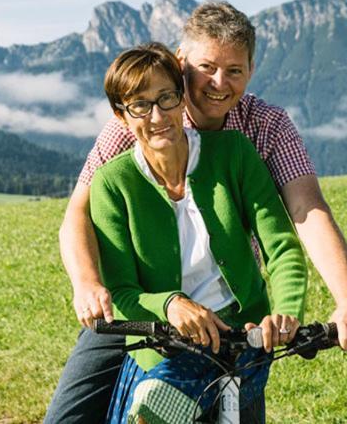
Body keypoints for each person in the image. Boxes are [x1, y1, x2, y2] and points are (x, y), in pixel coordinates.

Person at [45, 1, 347, 423]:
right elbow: (80, 211)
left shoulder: (263, 128)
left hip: (235, 318)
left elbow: (306, 208)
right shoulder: (142, 116)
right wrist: (88, 284)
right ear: (181, 64)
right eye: (207, 68)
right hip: (147, 310)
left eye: (234, 70)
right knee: (68, 417)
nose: (220, 83)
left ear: (251, 70)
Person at [86, 42, 306, 422]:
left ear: (182, 98)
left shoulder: (234, 153)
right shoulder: (111, 183)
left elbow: (282, 247)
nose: (157, 116)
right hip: (164, 350)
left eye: (166, 98)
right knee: (153, 404)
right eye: (140, 105)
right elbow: (121, 291)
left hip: (243, 339)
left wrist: (285, 312)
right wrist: (171, 304)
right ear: (121, 116)